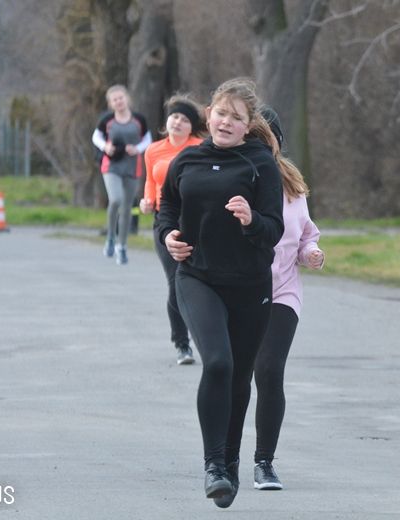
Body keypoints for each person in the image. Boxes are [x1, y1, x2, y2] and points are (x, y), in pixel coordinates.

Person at [156, 77, 284, 508]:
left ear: (249, 126)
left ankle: (230, 461)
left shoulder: (260, 163)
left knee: (240, 375)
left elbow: (273, 229)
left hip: (249, 285)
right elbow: (167, 208)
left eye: (237, 117)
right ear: (208, 115)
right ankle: (214, 464)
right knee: (217, 363)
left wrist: (251, 220)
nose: (226, 121)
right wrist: (168, 236)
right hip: (198, 276)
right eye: (221, 113)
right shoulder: (187, 160)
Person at [251, 107, 325, 491]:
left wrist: (311, 251)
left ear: (278, 143)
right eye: (254, 139)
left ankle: (264, 462)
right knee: (230, 376)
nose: (262, 147)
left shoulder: (291, 185)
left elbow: (306, 233)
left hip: (283, 291)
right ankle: (221, 458)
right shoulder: (234, 179)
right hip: (241, 291)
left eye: (268, 139)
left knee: (268, 370)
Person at [139, 94, 206, 365]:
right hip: (165, 222)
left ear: (192, 127)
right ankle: (182, 344)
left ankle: (209, 334)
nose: (178, 122)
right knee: (175, 280)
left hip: (198, 222)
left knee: (200, 280)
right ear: (168, 121)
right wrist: (146, 202)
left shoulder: (202, 147)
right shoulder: (153, 150)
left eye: (184, 119)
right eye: (175, 117)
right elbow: (150, 184)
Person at [92, 84, 152, 264]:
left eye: (121, 98)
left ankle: (122, 246)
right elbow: (96, 137)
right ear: (111, 103)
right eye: (114, 99)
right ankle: (110, 237)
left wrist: (138, 148)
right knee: (116, 199)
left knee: (127, 208)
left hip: (133, 167)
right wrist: (106, 147)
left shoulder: (139, 120)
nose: (118, 101)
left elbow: (147, 139)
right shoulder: (107, 120)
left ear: (127, 99)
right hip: (112, 166)